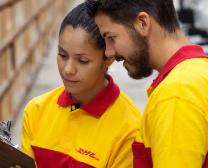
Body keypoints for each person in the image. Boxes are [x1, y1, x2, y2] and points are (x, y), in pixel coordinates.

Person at [86, 0, 208, 167]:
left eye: (111, 37)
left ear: (142, 23)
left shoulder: (176, 94)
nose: (109, 51)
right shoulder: (205, 72)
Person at [20, 3, 142, 167]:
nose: (68, 69)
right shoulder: (36, 111)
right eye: (62, 55)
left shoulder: (130, 130)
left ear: (108, 58)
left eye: (82, 60)